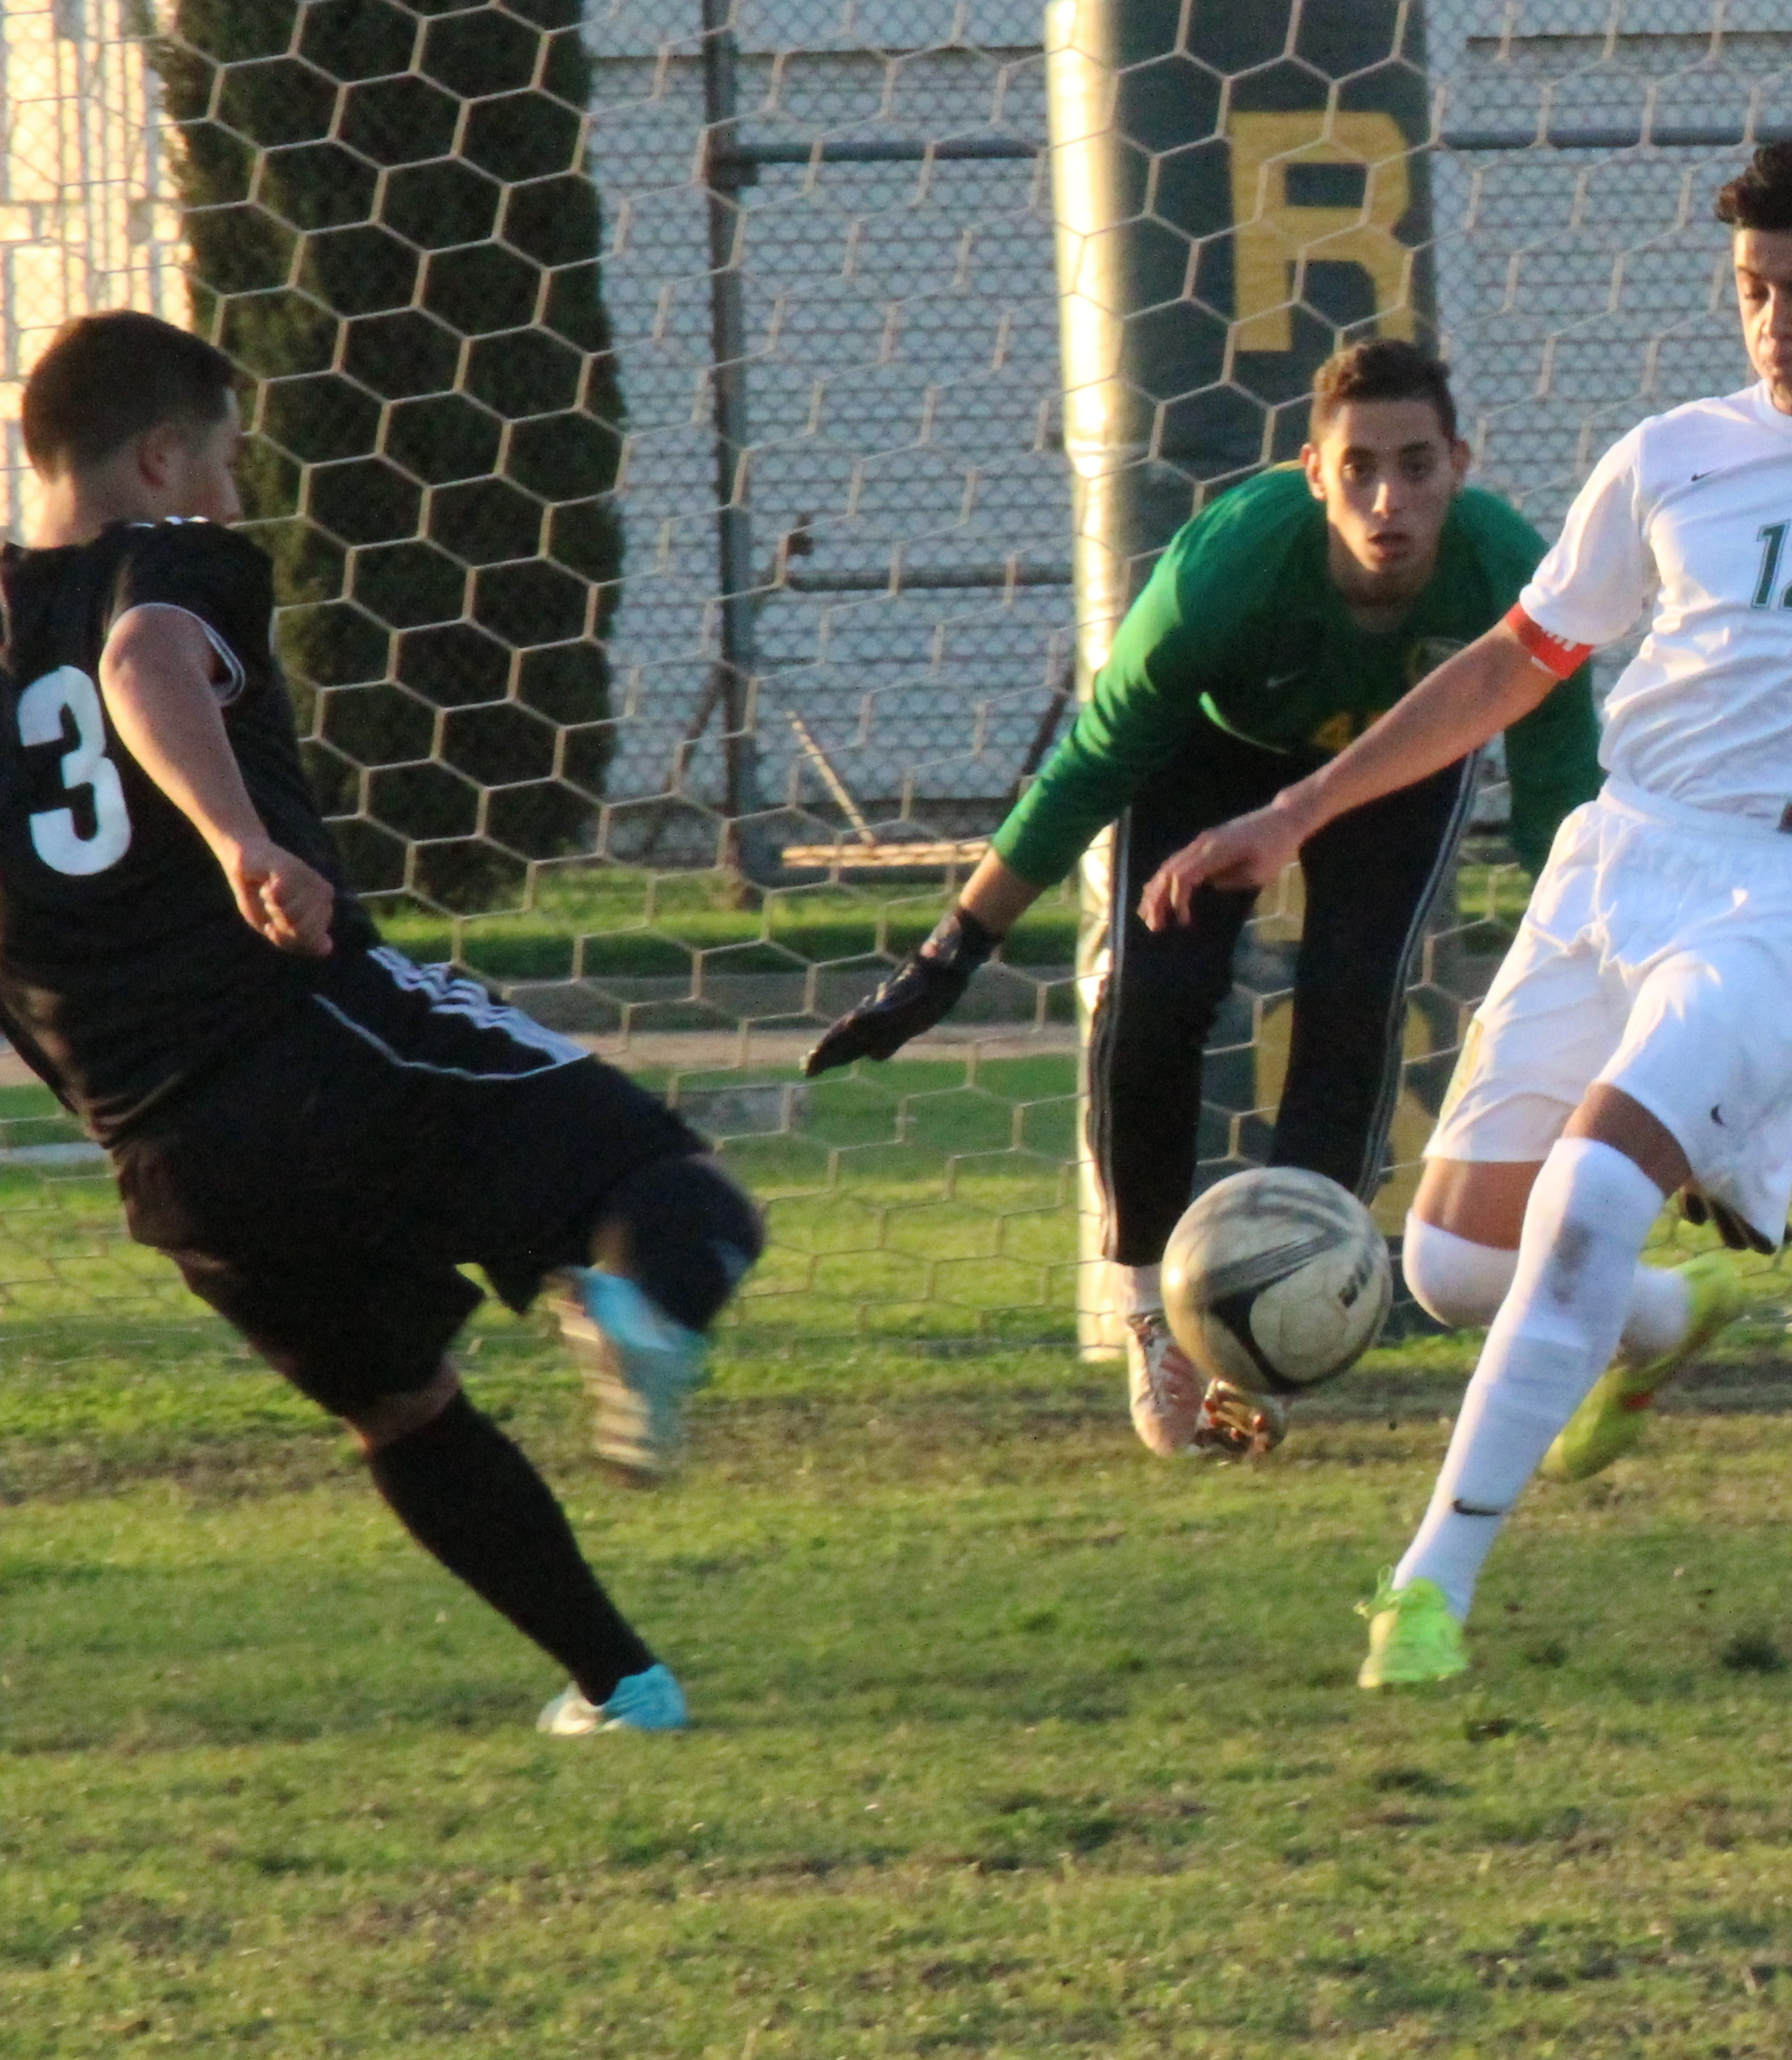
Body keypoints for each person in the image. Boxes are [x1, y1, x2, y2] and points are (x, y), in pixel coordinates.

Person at [1144, 133, 1792, 1687]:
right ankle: (1657, 1319)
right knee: (1449, 1266)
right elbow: (1516, 662)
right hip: (1617, 856)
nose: (1778, 325)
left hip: (1789, 891)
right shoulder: (1666, 454)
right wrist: (1294, 813)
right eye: (1754, 292)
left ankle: (1431, 1584)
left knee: (1585, 1197)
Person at [0, 310, 762, 1733]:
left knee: (402, 1408)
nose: (234, 496)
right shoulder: (169, 564)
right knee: (675, 1193)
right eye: (225, 462)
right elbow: (143, 662)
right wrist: (235, 840)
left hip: (167, 1156)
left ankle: (624, 1687)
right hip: (314, 1031)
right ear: (162, 457)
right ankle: (638, 1314)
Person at [807, 339, 1603, 1459]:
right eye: (1360, 467)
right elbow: (1087, 767)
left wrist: (1608, 975)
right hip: (1209, 757)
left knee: (1353, 997)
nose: (1390, 499)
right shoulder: (1223, 574)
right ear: (1312, 474)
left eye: (1417, 466)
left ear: (1460, 464)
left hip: (1389, 773)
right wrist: (950, 954)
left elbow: (1564, 807)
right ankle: (1153, 1307)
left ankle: (1285, 1332)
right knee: (1159, 991)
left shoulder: (1509, 575)